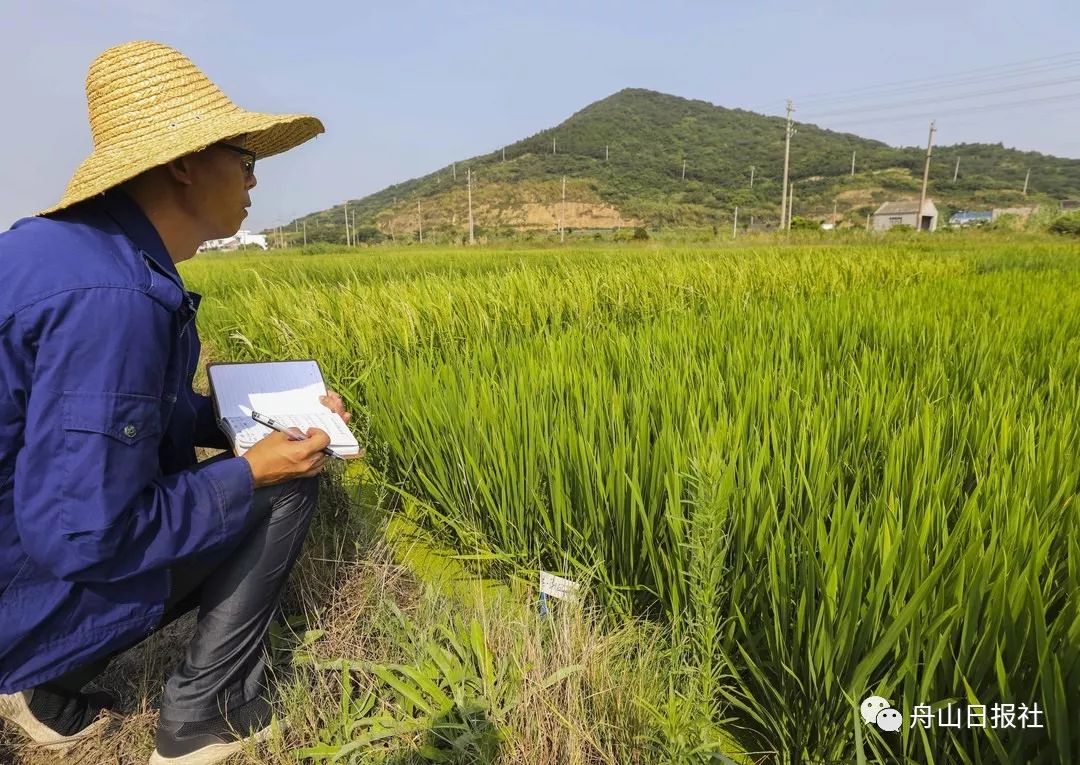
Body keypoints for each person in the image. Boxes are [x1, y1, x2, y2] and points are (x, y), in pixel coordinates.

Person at [0, 41, 348, 765]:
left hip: (16, 552)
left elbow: (113, 415)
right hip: (18, 591)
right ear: (184, 163)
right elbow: (89, 535)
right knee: (285, 488)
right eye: (244, 160)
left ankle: (52, 692)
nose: (255, 181)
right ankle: (203, 718)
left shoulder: (68, 251)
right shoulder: (113, 301)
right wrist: (252, 471)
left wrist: (249, 419)